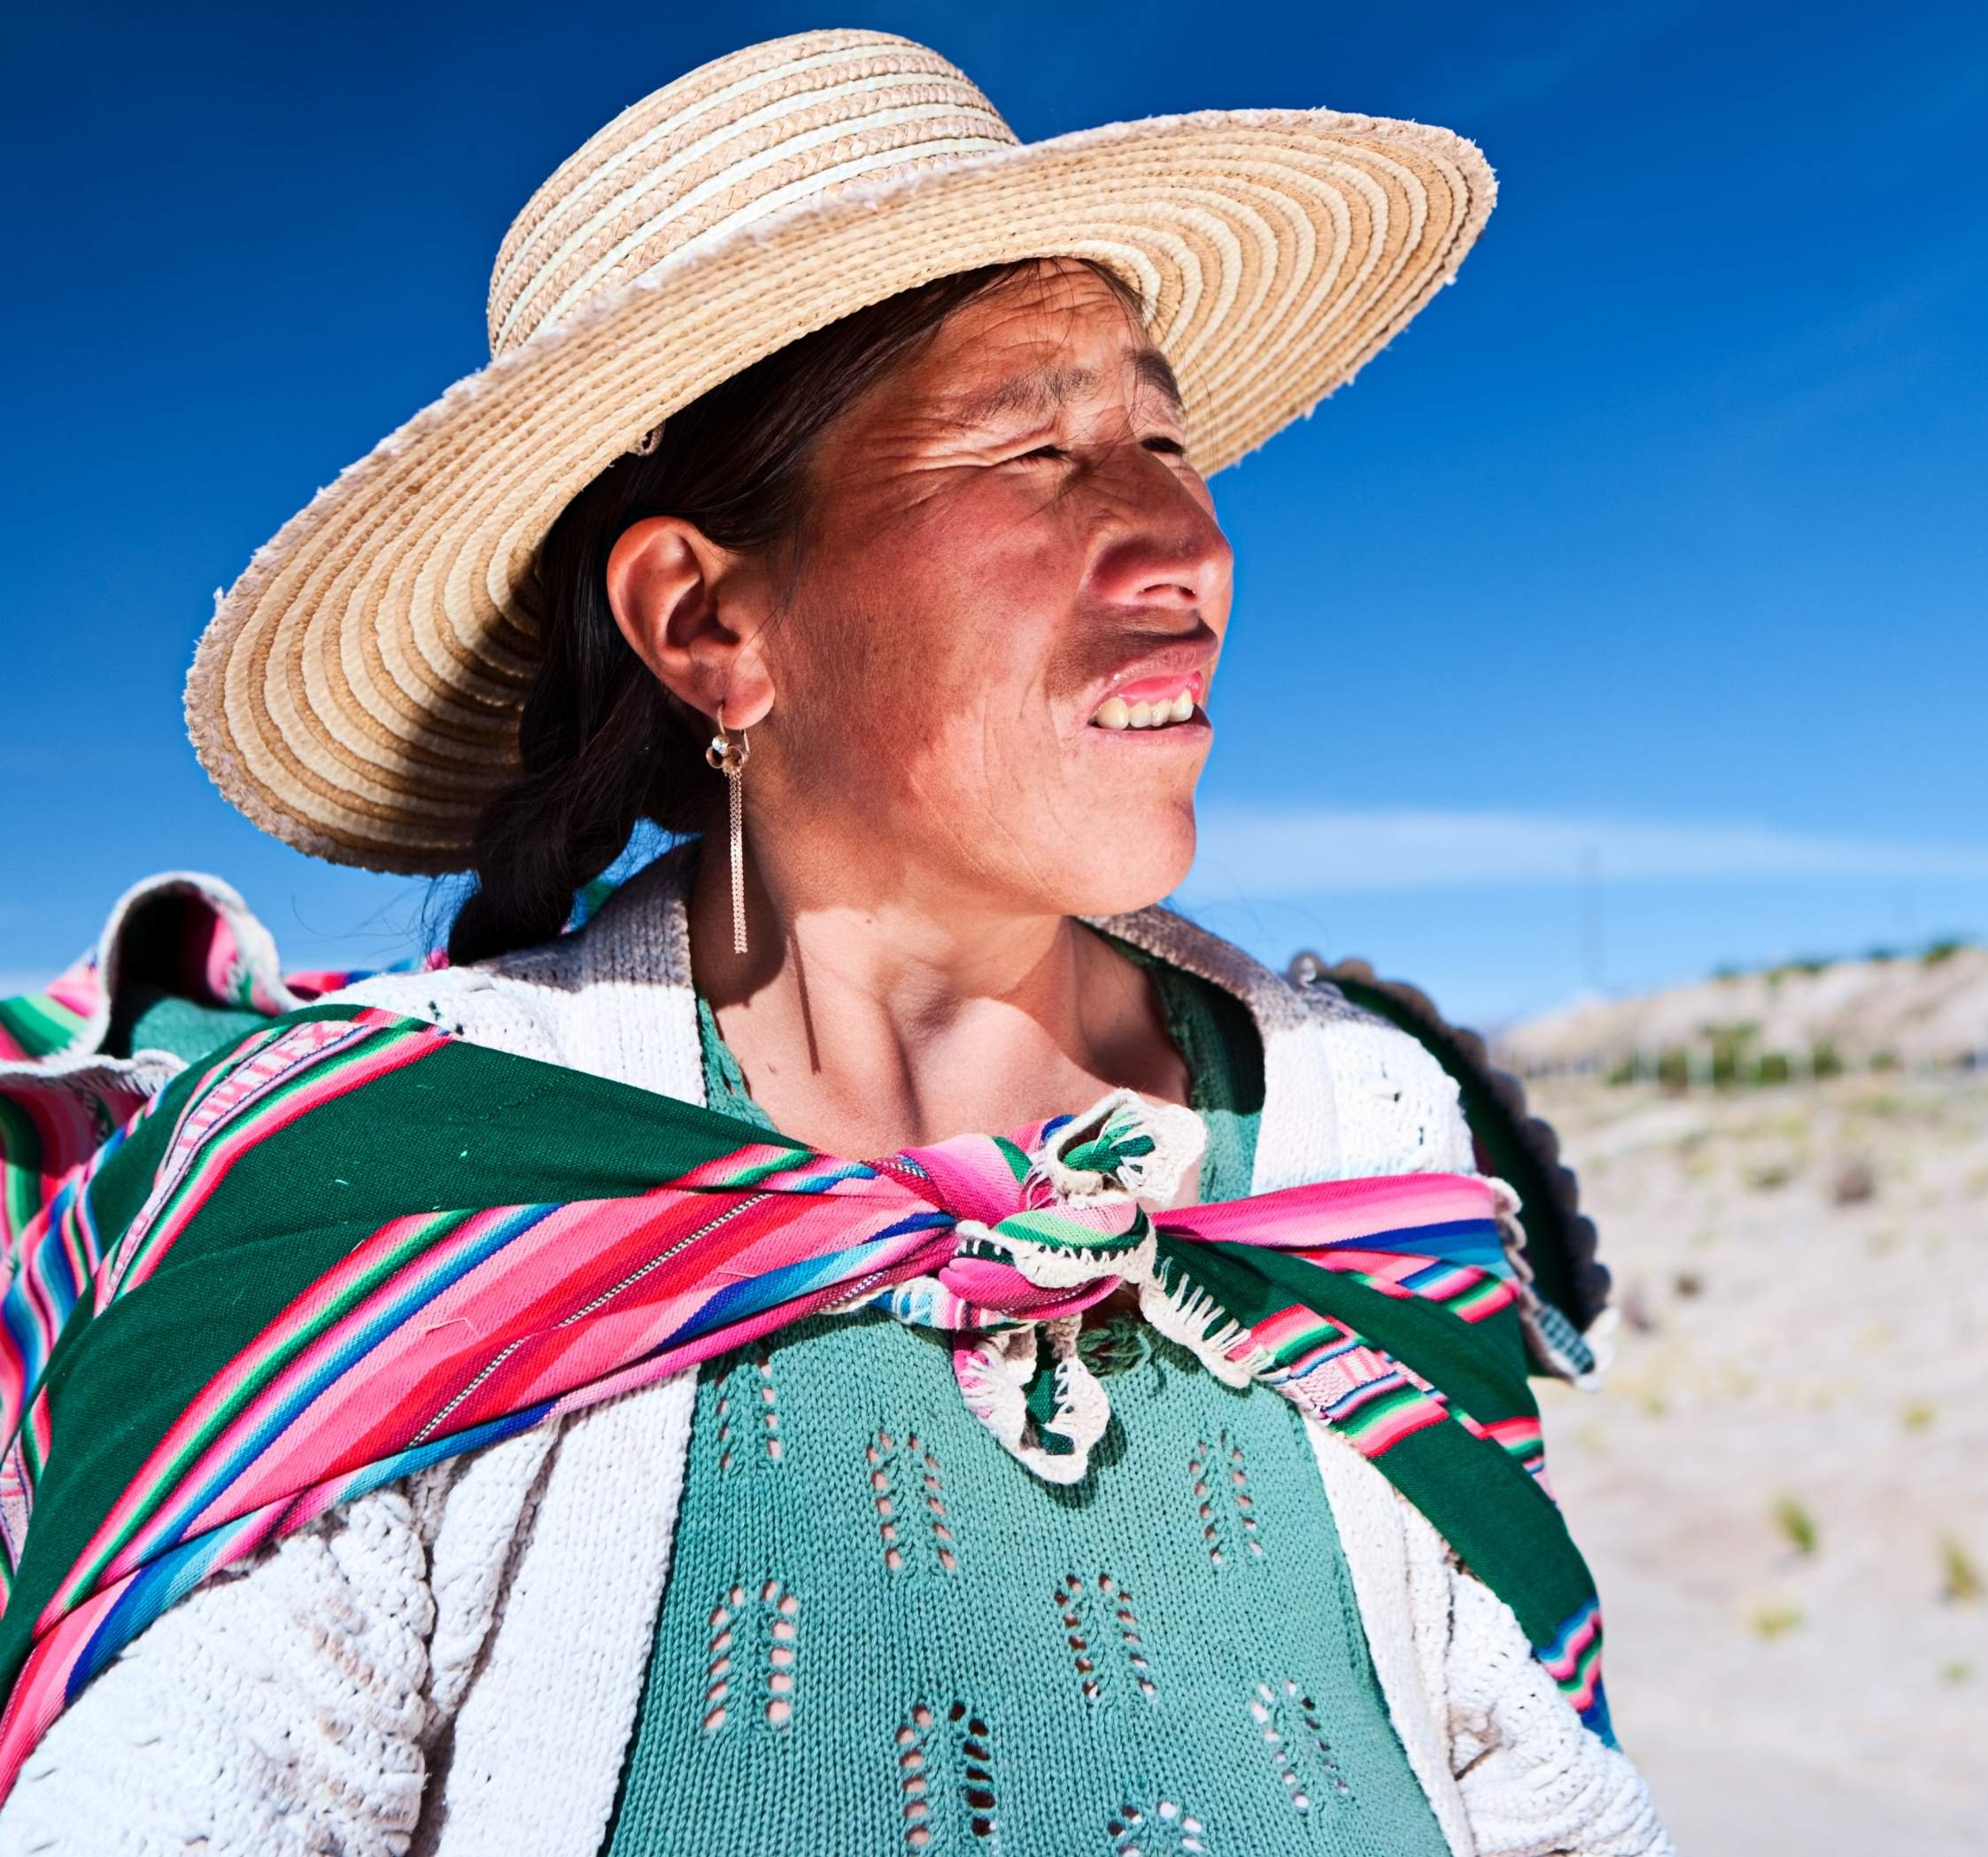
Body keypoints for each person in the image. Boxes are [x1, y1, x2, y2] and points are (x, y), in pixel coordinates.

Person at [0, 30, 1667, 1856]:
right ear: (708, 620)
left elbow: (1548, 1794)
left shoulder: (1358, 1131)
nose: (1185, 537)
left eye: (1166, 438)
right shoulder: (382, 1186)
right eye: (1035, 448)